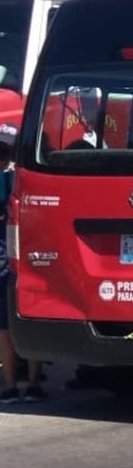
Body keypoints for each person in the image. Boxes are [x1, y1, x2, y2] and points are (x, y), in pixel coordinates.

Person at [0, 122, 48, 402]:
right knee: (27, 320)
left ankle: (12, 385)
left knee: (5, 328)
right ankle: (30, 383)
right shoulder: (28, 181)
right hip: (27, 262)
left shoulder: (15, 181)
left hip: (13, 264)